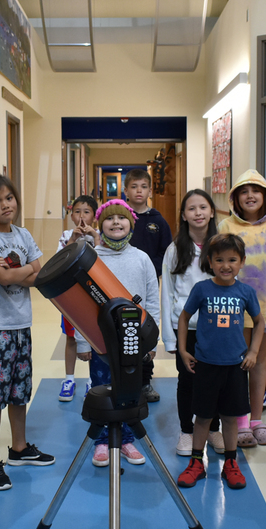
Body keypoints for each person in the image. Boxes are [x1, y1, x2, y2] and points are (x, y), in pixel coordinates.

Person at [0, 172, 54, 490]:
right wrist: (26, 270)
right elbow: (3, 278)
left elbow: (41, 275)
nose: (5, 205)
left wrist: (19, 272)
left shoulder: (23, 233)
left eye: (9, 198)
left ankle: (19, 448)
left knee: (19, 393)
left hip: (21, 325)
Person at [73, 199, 158, 467]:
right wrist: (81, 342)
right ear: (100, 225)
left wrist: (153, 339)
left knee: (129, 391)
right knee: (102, 387)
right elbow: (78, 304)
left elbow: (153, 299)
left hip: (134, 340)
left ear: (131, 224)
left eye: (121, 218)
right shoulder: (91, 258)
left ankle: (127, 439)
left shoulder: (142, 258)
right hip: (99, 339)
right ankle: (101, 442)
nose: (116, 222)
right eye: (109, 219)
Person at [175, 234, 264, 490]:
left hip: (235, 366)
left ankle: (231, 464)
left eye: (232, 260)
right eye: (219, 260)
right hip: (206, 365)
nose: (226, 265)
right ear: (210, 262)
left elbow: (259, 322)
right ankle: (196, 463)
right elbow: (184, 318)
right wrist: (183, 350)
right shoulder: (202, 289)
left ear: (242, 262)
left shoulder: (246, 291)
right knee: (202, 416)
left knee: (230, 417)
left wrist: (253, 352)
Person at [217, 169, 266, 448]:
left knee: (260, 364)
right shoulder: (225, 227)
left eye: (256, 191)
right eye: (244, 191)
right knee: (237, 367)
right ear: (235, 197)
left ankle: (257, 419)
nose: (250, 196)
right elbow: (217, 267)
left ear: (265, 197)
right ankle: (241, 421)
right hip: (233, 311)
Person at [160, 189, 223, 457]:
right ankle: (187, 431)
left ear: (211, 212)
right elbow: (167, 293)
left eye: (203, 207)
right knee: (187, 382)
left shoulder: (222, 245)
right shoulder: (175, 250)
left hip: (217, 328)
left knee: (215, 381)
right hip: (186, 330)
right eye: (191, 209)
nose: (198, 213)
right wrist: (170, 338)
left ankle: (212, 428)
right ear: (184, 216)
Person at [124, 168, 172, 403]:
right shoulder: (121, 217)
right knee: (123, 332)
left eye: (143, 186)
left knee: (146, 331)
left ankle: (145, 382)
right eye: (134, 187)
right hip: (121, 286)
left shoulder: (158, 220)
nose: (139, 191)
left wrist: (151, 268)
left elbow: (167, 252)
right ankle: (121, 379)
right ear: (126, 190)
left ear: (150, 190)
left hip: (148, 284)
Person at [56, 195, 99, 402]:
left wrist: (95, 238)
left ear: (95, 216)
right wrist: (73, 240)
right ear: (71, 215)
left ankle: (93, 379)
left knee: (94, 338)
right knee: (71, 337)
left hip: (92, 295)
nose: (82, 216)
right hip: (71, 296)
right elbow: (58, 261)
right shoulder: (65, 235)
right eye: (77, 211)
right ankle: (69, 379)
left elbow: (103, 261)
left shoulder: (99, 234)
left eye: (87, 211)